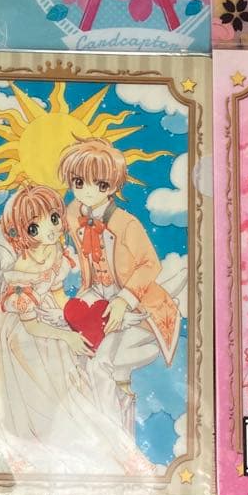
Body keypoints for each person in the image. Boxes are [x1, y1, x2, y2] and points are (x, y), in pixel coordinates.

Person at [0, 185, 153, 476]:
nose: (50, 230)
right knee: (26, 392)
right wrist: (67, 335)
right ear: (21, 232)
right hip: (18, 329)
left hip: (45, 318)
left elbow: (58, 294)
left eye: (54, 219)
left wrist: (76, 318)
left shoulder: (56, 252)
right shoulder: (20, 273)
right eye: (34, 227)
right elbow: (30, 325)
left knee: (69, 387)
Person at [57, 137, 179, 435]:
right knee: (67, 358)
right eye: (78, 182)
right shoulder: (73, 213)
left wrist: (123, 301)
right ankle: (82, 429)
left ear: (112, 186)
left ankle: (110, 436)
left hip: (137, 306)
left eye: (99, 184)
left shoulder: (126, 224)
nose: (87, 191)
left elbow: (151, 265)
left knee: (100, 365)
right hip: (94, 297)